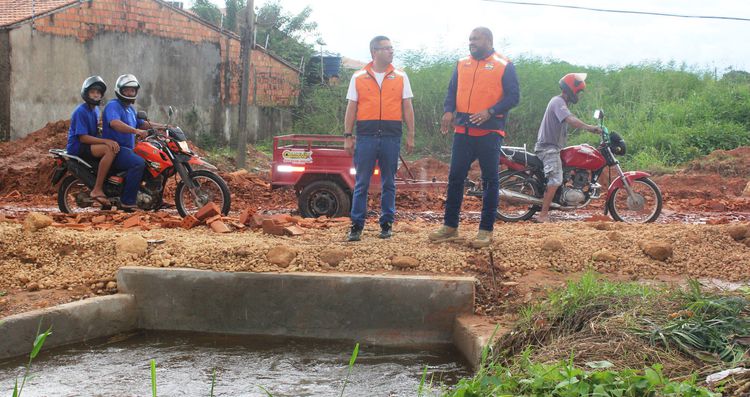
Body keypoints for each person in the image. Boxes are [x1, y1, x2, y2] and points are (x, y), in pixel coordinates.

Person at [429, 27, 520, 248]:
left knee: (490, 180)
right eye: (470, 39)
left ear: (488, 40)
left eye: (476, 39)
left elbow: (514, 97)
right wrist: (448, 111)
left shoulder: (504, 65)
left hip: (490, 132)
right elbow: (452, 91)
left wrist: (490, 111)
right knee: (455, 178)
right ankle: (450, 227)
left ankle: (485, 230)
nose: (471, 43)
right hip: (463, 131)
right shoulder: (462, 64)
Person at [343, 35, 415, 242]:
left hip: (392, 137)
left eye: (392, 48)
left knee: (389, 182)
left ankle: (386, 223)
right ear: (374, 52)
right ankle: (356, 225)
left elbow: (407, 106)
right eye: (386, 48)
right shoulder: (358, 77)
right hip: (366, 136)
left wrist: (411, 134)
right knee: (362, 183)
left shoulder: (401, 76)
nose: (391, 51)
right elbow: (352, 107)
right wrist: (348, 136)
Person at [534, 73, 602, 223]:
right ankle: (543, 215)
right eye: (579, 91)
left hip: (553, 147)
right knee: (556, 180)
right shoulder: (558, 102)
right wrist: (589, 128)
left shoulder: (561, 103)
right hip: (548, 148)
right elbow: (570, 119)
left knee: (563, 173)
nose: (579, 95)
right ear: (571, 89)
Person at [66, 76, 119, 207]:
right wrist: (106, 141)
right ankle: (97, 189)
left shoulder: (95, 110)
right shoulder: (81, 111)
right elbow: (83, 137)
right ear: (86, 93)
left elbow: (94, 131)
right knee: (109, 149)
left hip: (88, 144)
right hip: (78, 146)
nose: (96, 95)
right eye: (93, 92)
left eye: (98, 92)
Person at [101, 74, 152, 210]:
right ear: (120, 90)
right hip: (116, 150)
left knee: (149, 161)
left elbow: (143, 124)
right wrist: (135, 131)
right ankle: (128, 201)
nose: (130, 93)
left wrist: (164, 127)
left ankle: (151, 197)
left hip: (128, 149)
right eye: (127, 90)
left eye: (132, 90)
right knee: (138, 163)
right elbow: (115, 123)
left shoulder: (130, 109)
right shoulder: (113, 106)